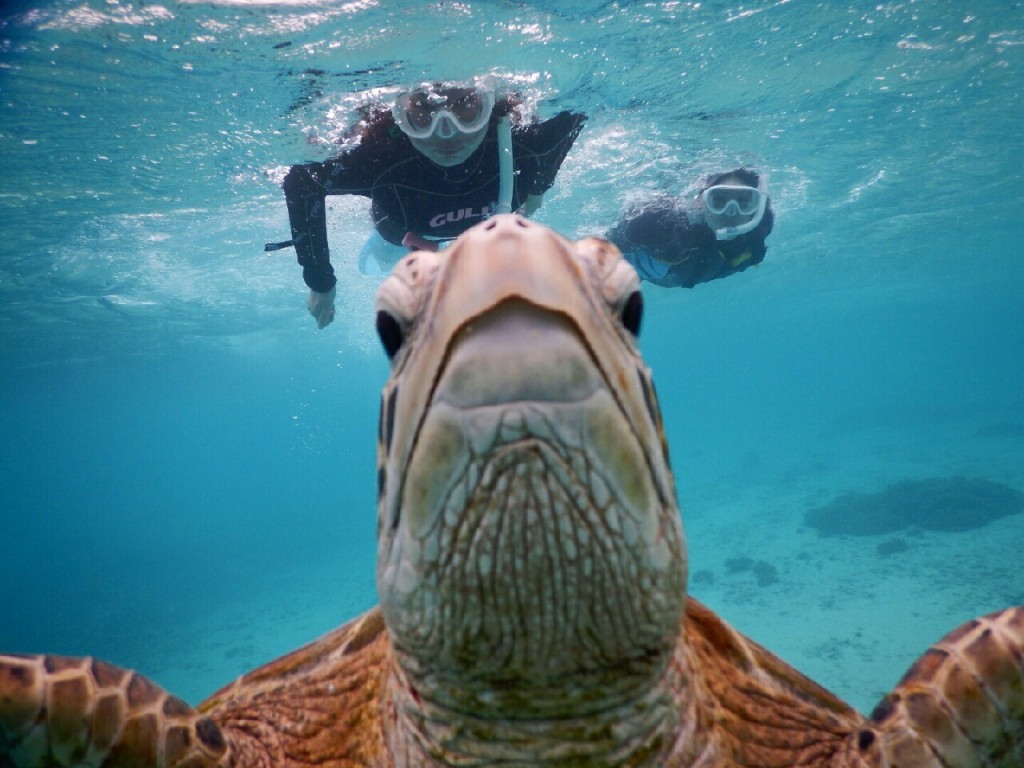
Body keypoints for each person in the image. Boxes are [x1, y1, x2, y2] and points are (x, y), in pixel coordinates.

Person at [271, 75, 587, 328]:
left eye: (465, 106)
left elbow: (572, 118)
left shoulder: (524, 142)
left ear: (490, 105)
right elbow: (301, 182)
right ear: (398, 115)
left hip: (417, 226)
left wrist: (540, 187)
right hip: (397, 230)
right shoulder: (378, 157)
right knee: (391, 257)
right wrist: (320, 280)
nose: (446, 134)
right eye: (422, 111)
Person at [605, 168, 773, 289]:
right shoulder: (666, 225)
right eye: (719, 200)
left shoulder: (756, 236)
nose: (731, 212)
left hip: (693, 272)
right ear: (701, 201)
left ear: (756, 207)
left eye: (744, 202)